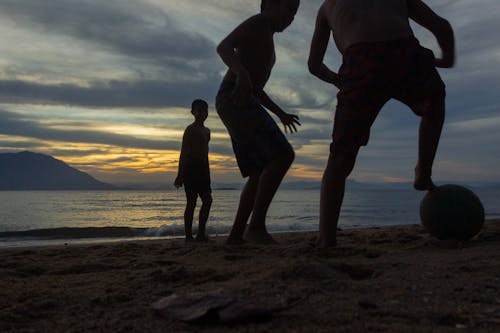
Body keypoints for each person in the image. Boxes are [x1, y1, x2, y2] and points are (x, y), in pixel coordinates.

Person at [308, 0, 455, 247]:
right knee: (434, 101)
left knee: (340, 157)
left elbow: (314, 64)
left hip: (360, 62)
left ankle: (326, 239)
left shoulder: (327, 7)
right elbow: (442, 26)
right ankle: (423, 171)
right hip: (404, 54)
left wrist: (337, 80)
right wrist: (447, 58)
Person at [215, 0, 301, 244]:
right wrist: (240, 73)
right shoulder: (260, 22)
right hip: (233, 96)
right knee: (283, 155)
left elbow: (256, 89)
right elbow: (224, 47)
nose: (291, 16)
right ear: (269, 4)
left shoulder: (268, 40)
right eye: (288, 8)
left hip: (236, 99)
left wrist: (280, 113)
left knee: (258, 171)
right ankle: (256, 227)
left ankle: (236, 235)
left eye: (295, 12)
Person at [174, 99, 213, 242]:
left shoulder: (207, 131)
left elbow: (205, 153)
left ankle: (201, 233)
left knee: (207, 200)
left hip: (203, 169)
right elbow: (184, 152)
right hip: (191, 169)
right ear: (193, 112)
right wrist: (180, 174)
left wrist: (207, 172)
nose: (202, 113)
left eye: (205, 110)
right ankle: (188, 236)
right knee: (191, 202)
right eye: (199, 110)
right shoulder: (190, 130)